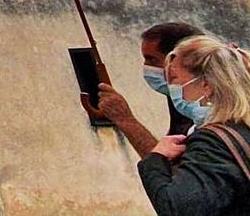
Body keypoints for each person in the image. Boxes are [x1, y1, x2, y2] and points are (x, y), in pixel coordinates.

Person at [139, 35, 250, 215]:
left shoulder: (213, 142)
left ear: (206, 85)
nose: (171, 87)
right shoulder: (242, 129)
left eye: (174, 79)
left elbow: (176, 209)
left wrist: (155, 159)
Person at [98, 22, 203, 158]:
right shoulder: (179, 101)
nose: (146, 67)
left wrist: (125, 120)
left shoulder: (206, 109)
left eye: (152, 60)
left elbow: (173, 170)